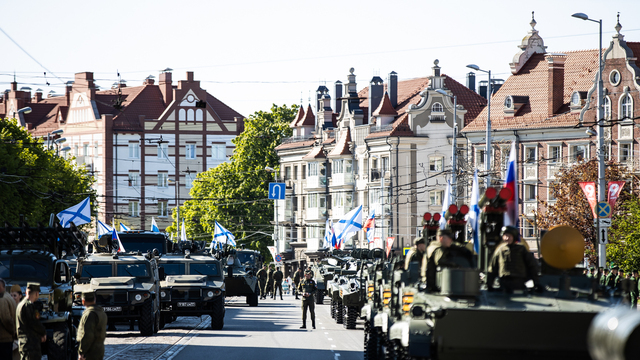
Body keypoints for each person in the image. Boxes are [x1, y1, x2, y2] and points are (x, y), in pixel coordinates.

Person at [487, 226, 541, 293]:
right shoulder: (500, 250)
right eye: (505, 236)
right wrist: (489, 283)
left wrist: (536, 283)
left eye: (509, 236)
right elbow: (493, 267)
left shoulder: (521, 249)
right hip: (504, 281)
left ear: (514, 237)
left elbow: (532, 266)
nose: (507, 238)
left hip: (519, 281)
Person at [16, 283, 46, 360]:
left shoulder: (20, 304)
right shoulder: (28, 306)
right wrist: (43, 332)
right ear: (36, 293)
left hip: (24, 343)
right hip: (31, 345)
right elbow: (34, 323)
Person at [77, 291, 108, 360]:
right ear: (95, 299)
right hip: (99, 348)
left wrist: (82, 352)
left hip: (90, 351)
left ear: (83, 301)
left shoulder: (89, 314)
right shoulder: (101, 312)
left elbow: (87, 335)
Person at [0, 278, 16, 360]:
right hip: (8, 338)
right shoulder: (8, 297)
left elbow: (6, 319)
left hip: (3, 338)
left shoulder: (2, 299)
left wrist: (12, 331)